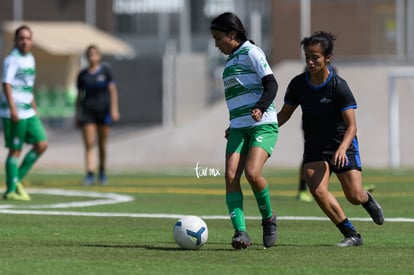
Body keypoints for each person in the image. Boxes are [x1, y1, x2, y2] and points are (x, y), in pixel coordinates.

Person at [277, 31, 384, 246]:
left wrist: (343, 148)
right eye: (307, 56)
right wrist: (259, 129)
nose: (310, 61)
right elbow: (284, 115)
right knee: (317, 189)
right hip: (315, 146)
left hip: (341, 144)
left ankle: (366, 199)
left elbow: (352, 126)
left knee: (353, 196)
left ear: (328, 58)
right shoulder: (298, 84)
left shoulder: (339, 86)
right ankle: (351, 234)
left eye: (315, 57)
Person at [210, 12, 279, 249]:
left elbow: (271, 84)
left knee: (252, 173)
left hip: (263, 124)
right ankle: (240, 232)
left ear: (233, 34)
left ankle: (269, 218)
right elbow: (239, 98)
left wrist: (260, 108)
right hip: (239, 127)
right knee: (230, 176)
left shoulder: (252, 52)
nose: (216, 43)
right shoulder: (229, 62)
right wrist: (234, 123)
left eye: (218, 38)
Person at [1, 25, 48, 201]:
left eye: (28, 38)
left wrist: (33, 104)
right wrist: (13, 109)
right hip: (14, 112)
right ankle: (11, 191)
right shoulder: (11, 59)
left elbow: (28, 85)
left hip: (28, 111)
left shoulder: (30, 58)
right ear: (15, 40)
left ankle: (16, 180)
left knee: (42, 143)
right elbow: (6, 84)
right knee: (15, 151)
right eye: (21, 38)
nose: (25, 41)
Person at [75, 45, 120, 185]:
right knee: (89, 144)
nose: (92, 56)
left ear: (99, 56)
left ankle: (102, 171)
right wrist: (77, 113)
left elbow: (112, 91)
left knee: (102, 144)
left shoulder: (106, 71)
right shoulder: (83, 75)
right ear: (86, 56)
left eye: (94, 53)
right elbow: (79, 96)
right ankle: (89, 173)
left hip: (103, 111)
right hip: (88, 112)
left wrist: (114, 109)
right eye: (89, 54)